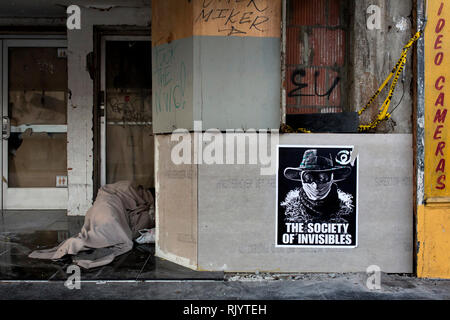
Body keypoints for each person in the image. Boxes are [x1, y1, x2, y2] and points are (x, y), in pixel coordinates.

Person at [281, 149, 354, 224]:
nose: (316, 186)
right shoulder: (284, 213)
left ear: (332, 177)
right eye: (308, 178)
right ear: (301, 177)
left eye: (323, 178)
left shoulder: (350, 213)